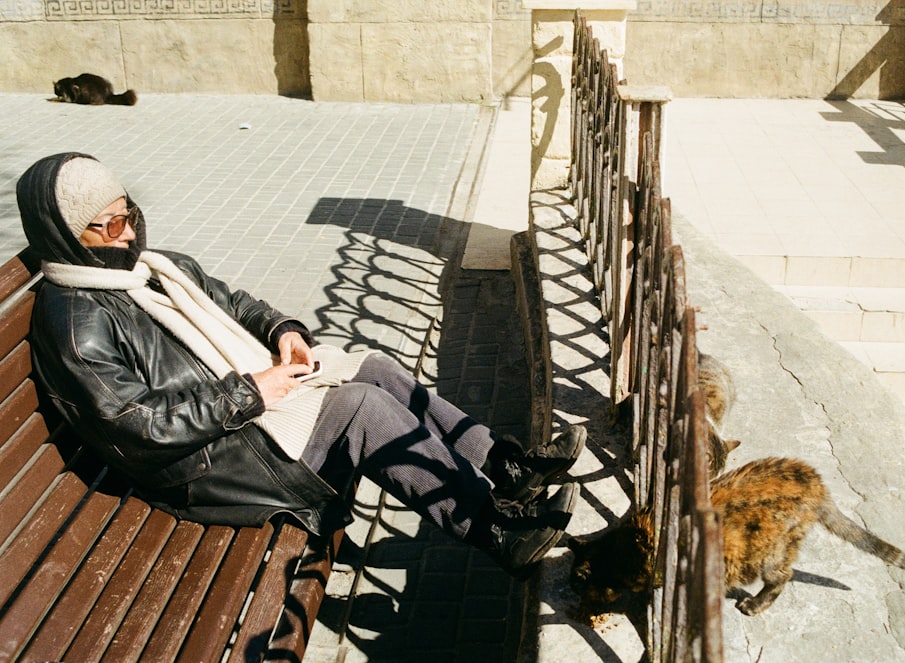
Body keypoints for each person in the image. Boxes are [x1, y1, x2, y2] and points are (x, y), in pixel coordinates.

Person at [17, 152, 585, 579]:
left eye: (129, 214)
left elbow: (235, 303)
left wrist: (283, 331)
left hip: (231, 415)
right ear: (65, 233)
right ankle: (494, 529)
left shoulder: (155, 268)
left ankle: (505, 466)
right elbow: (135, 425)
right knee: (358, 407)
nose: (131, 233)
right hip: (207, 464)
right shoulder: (74, 320)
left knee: (374, 368)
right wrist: (250, 392)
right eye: (110, 226)